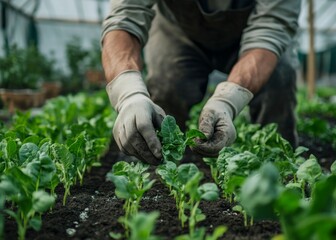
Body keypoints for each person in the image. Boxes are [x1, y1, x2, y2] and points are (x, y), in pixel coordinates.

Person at [102, 0, 301, 165]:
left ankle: (279, 170)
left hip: (252, 36)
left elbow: (269, 31)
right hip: (176, 31)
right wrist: (129, 94)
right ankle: (157, 172)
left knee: (280, 77)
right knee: (167, 84)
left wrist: (228, 101)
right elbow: (124, 18)